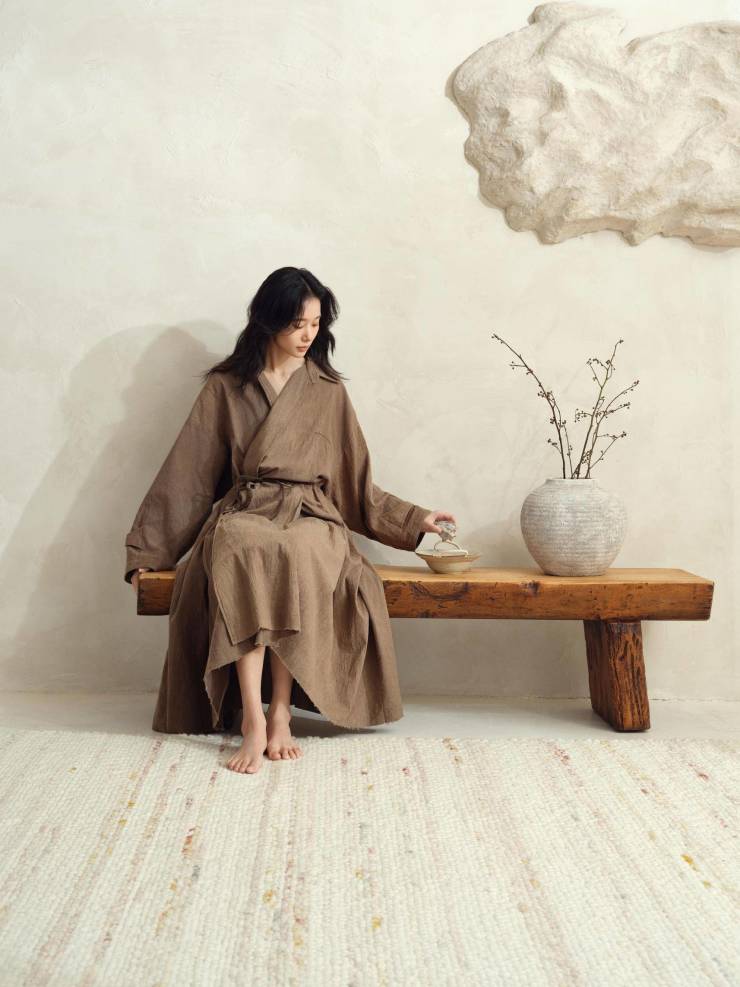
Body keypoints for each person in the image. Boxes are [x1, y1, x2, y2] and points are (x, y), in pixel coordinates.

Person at [125, 267, 455, 774]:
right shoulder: (226, 387)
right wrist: (149, 551)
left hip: (310, 513)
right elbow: (188, 472)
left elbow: (354, 482)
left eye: (316, 324)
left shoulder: (327, 390)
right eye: (297, 323)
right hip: (249, 508)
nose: (308, 335)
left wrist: (415, 519)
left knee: (298, 551)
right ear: (268, 319)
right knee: (241, 547)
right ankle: (252, 717)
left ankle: (281, 712)